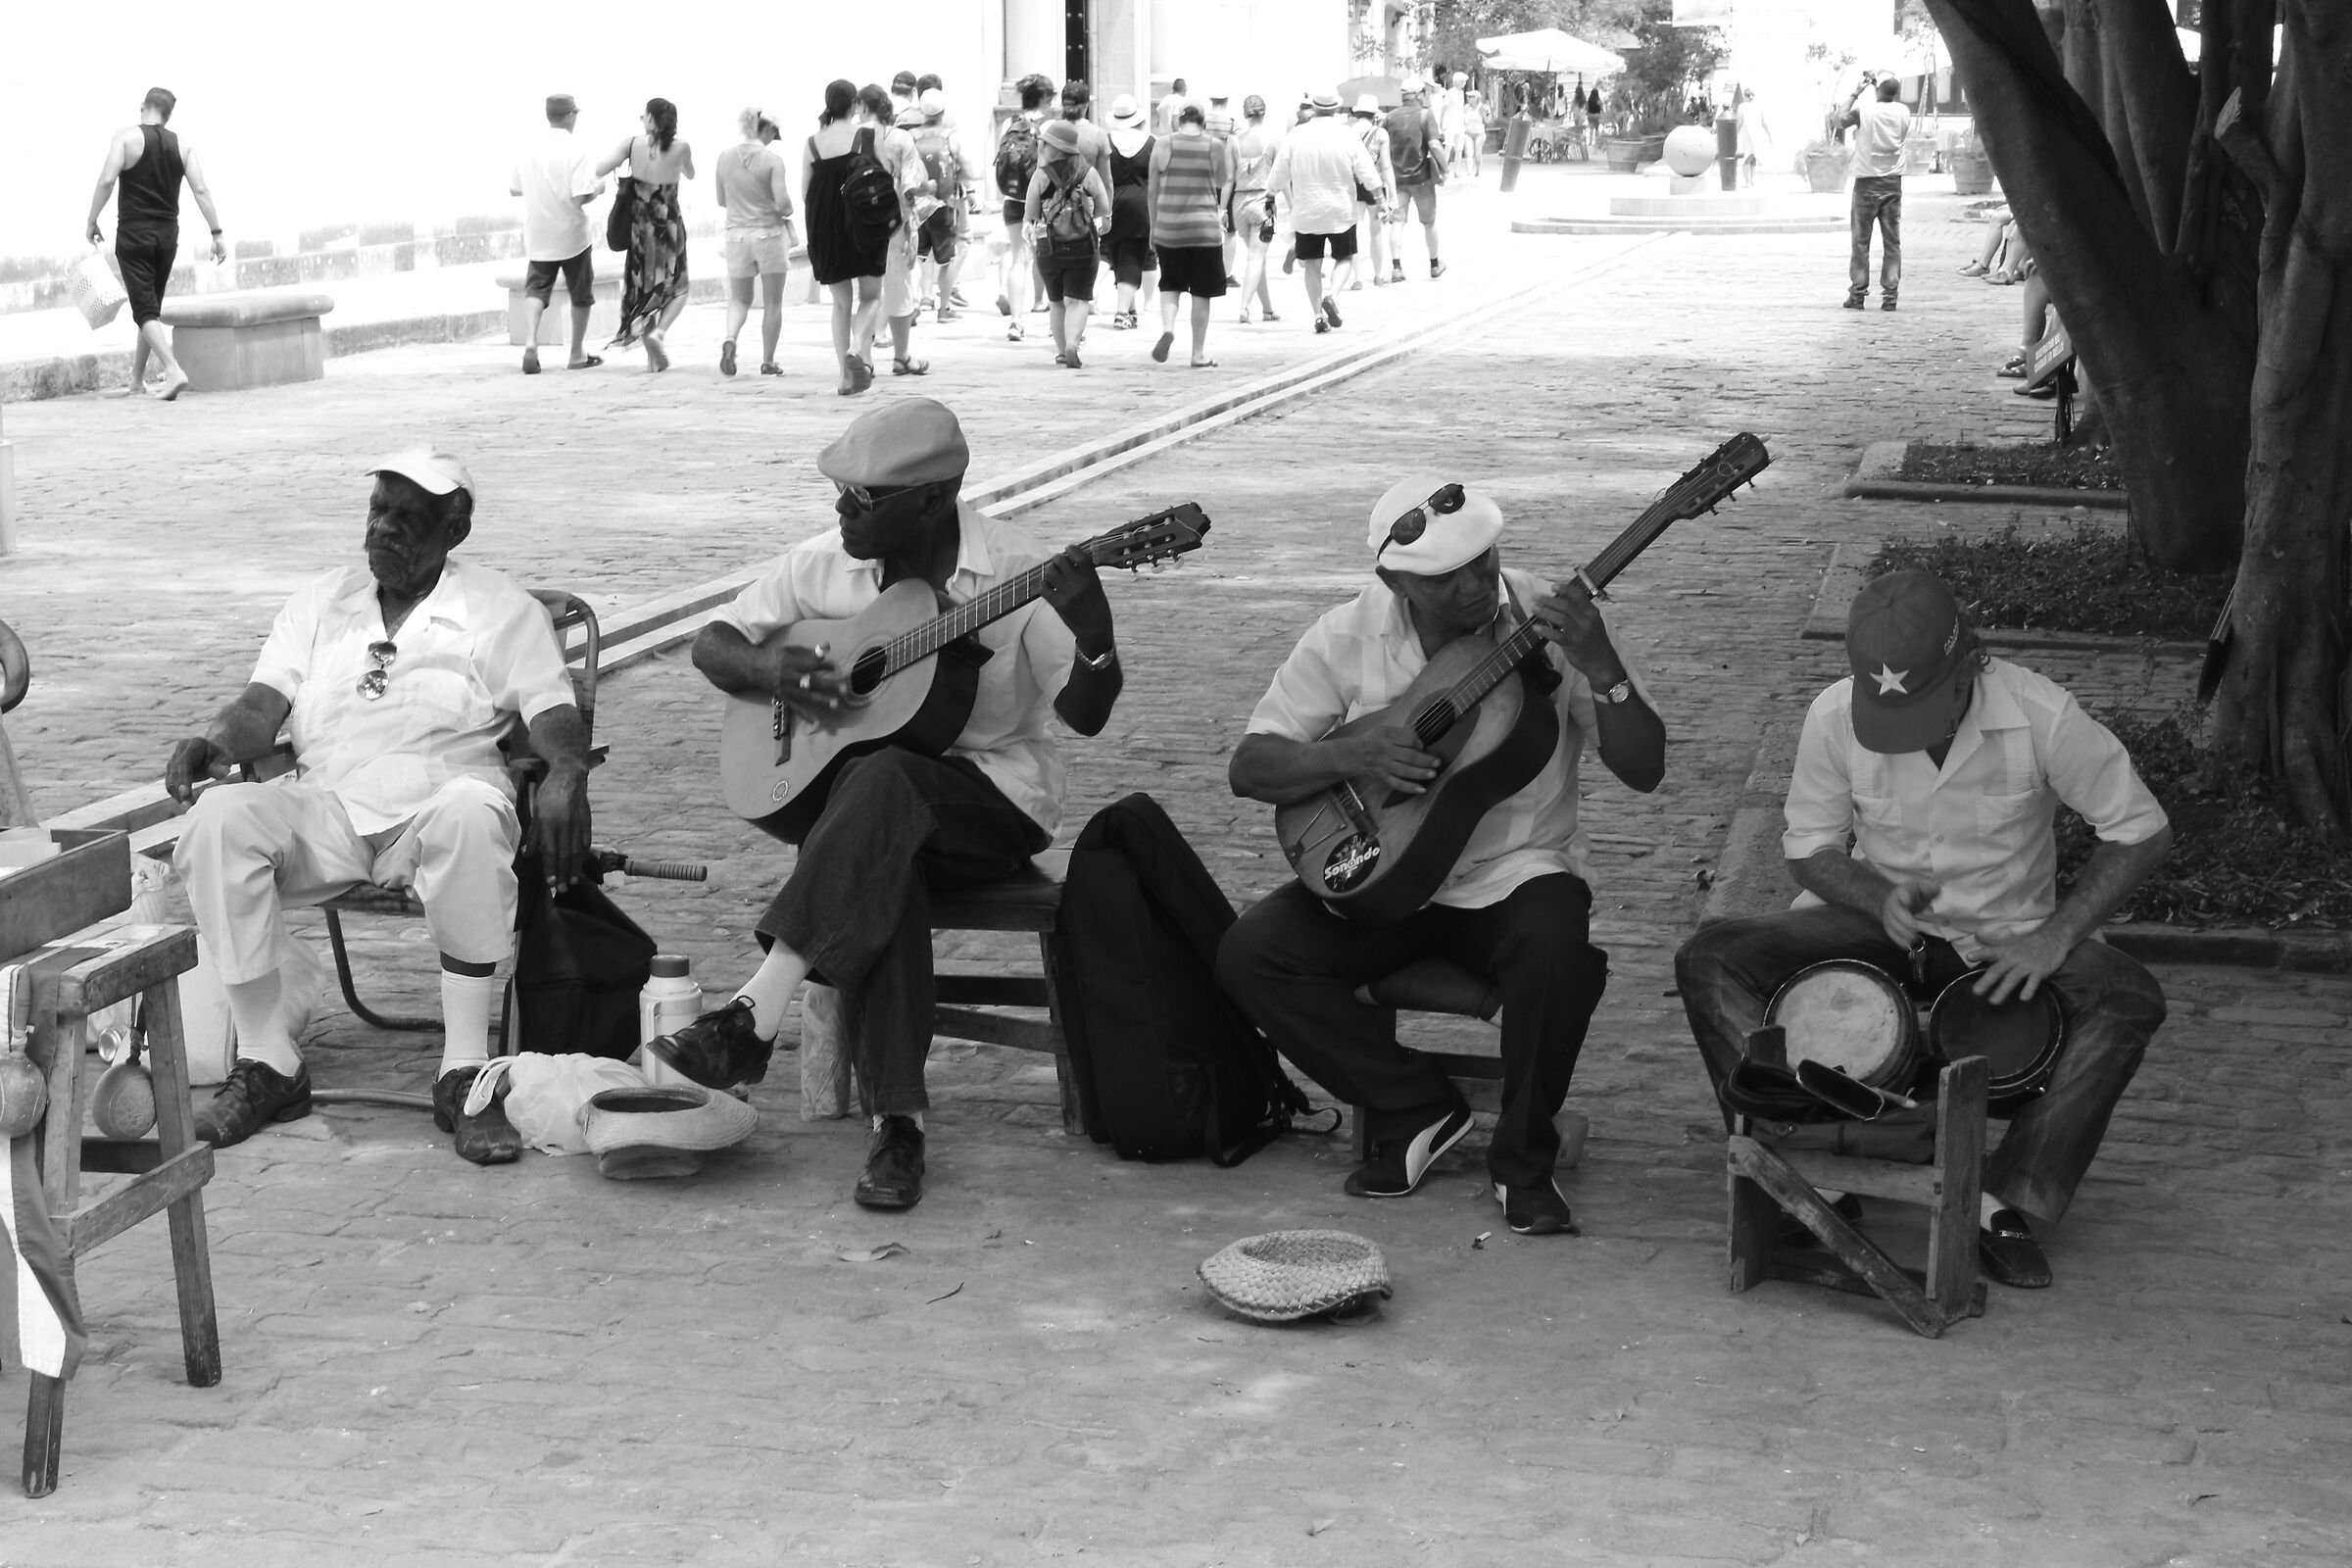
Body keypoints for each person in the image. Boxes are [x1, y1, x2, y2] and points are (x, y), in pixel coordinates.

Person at [659, 399, 1124, 1212]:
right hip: (874, 821)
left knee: (885, 784)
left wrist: (1096, 636)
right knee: (887, 842)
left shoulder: (1018, 571)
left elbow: (1086, 714)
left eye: (863, 497)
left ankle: (752, 1013)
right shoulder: (825, 564)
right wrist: (772, 672)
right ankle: (898, 1129)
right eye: (841, 491)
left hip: (995, 800)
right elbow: (714, 643)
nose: (842, 508)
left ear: (933, 500)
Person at [1675, 570, 2172, 1289]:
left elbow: (2142, 831)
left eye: (1925, 709)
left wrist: (2056, 935)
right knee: (1711, 958)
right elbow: (1808, 848)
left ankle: (2003, 1197)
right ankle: (1799, 1165)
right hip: (1880, 927)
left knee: (2128, 996)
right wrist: (1875, 894)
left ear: (1970, 661)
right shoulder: (1834, 714)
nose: (1910, 732)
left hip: (2004, 938)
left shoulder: (2040, 714)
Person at [1217, 476, 1667, 1236]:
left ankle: (1523, 1161)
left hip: (1515, 874)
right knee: (1251, 953)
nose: (1474, 585)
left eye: (1482, 560)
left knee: (1559, 950)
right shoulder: (1347, 633)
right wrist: (1352, 753)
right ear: (1395, 581)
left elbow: (1646, 769)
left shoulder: (1550, 618)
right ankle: (1416, 1106)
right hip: (1388, 877)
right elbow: (1250, 767)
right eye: (1445, 577)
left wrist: (1604, 669)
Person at [165, 449, 592, 1161]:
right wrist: (214, 741)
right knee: (216, 818)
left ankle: (465, 1074)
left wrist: (567, 772)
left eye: (408, 518)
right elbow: (260, 706)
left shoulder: (499, 610)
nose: (385, 529)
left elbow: (552, 711)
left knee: (473, 808)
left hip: (436, 812)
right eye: (378, 511)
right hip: (326, 810)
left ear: (454, 531)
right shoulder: (322, 603)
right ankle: (270, 1064)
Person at [82, 86, 225, 401]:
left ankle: (173, 369)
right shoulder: (184, 146)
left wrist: (92, 220)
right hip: (167, 236)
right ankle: (136, 380)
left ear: (142, 106)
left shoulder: (125, 138)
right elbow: (201, 191)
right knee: (150, 308)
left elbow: (107, 180)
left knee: (144, 309)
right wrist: (216, 233)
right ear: (168, 116)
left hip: (134, 235)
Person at [1263, 90, 1379, 334]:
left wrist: (1270, 194)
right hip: (1341, 210)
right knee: (1344, 258)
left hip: (1307, 211)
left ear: (1313, 108)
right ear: (1336, 109)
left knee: (1312, 266)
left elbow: (1279, 172)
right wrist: (1380, 196)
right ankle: (1332, 295)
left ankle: (1318, 316)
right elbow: (1366, 170)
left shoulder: (1296, 135)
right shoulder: (1347, 135)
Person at [506, 93, 605, 376]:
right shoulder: (577, 149)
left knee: (536, 289)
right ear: (570, 116)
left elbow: (514, 188)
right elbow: (579, 197)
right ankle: (576, 353)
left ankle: (531, 342)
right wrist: (597, 189)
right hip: (573, 236)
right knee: (581, 295)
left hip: (539, 233)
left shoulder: (529, 148)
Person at [598, 98, 696, 368]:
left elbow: (599, 169)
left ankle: (653, 362)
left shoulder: (631, 144)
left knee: (646, 288)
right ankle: (658, 333)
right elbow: (690, 174)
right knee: (679, 288)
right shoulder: (681, 147)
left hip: (640, 230)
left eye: (644, 116)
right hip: (670, 228)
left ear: (651, 118)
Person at [806, 81, 886, 395]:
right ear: (854, 104)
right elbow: (884, 179)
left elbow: (805, 193)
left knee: (841, 303)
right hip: (864, 225)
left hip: (825, 228)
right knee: (871, 297)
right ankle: (857, 347)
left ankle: (844, 377)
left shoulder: (812, 144)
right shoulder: (867, 136)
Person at [1147, 100, 1233, 367]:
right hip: (1204, 230)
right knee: (1202, 293)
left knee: (1170, 284)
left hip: (1169, 228)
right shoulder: (1214, 146)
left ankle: (1168, 329)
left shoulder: (1163, 144)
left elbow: (1152, 191)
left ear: (1178, 122)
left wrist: (1153, 226)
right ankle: (1197, 354)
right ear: (1203, 123)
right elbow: (1222, 181)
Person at [714, 105, 796, 377]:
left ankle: (730, 338)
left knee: (739, 299)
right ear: (768, 129)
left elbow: (722, 200)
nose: (773, 140)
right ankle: (768, 361)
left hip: (736, 236)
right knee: (772, 302)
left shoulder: (725, 157)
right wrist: (787, 209)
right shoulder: (772, 160)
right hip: (769, 235)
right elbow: (783, 204)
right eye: (774, 134)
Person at [1023, 118, 1111, 368]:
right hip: (1083, 244)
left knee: (1056, 301)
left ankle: (1062, 351)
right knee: (1079, 300)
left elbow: (1030, 213)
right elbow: (1103, 208)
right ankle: (1073, 343)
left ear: (1053, 148)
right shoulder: (1088, 173)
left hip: (1049, 246)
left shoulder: (1041, 175)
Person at [873, 84, 938, 379]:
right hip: (895, 221)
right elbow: (911, 186)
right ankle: (901, 356)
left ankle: (862, 354)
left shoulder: (852, 137)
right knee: (898, 284)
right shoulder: (900, 140)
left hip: (859, 223)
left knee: (865, 289)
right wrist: (929, 188)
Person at [993, 74, 1056, 341]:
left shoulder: (1009, 124)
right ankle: (1055, 322)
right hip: (1042, 202)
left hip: (1013, 200)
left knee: (1019, 258)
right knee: (1050, 259)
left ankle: (1016, 321)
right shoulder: (1049, 125)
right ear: (1044, 97)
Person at [1840, 75, 1910, 311]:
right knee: (1892, 243)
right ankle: (1890, 296)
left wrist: (1855, 93)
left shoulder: (1865, 111)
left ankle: (1858, 294)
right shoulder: (1903, 112)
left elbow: (1839, 120)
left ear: (1877, 89)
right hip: (1892, 182)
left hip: (1867, 183)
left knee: (1861, 242)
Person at [912, 84, 970, 321]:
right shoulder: (950, 136)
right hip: (943, 205)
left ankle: (913, 304)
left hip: (916, 206)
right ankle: (944, 309)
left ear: (922, 112)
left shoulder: (911, 136)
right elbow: (968, 169)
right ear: (943, 112)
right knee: (947, 260)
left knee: (916, 257)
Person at [1102, 95, 1155, 330]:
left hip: (1113, 203)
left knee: (1119, 257)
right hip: (1142, 205)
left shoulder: (1107, 142)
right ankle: (1122, 312)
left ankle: (1130, 310)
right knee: (1133, 258)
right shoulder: (1150, 142)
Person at [1387, 79, 1446, 282]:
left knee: (1397, 222)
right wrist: (1445, 168)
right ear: (1419, 94)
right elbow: (1435, 145)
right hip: (1421, 179)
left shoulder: (1390, 117)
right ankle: (1434, 264)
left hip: (1397, 178)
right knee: (1429, 223)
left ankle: (1396, 268)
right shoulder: (1425, 115)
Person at [1230, 95, 1282, 324]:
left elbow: (1228, 180)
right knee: (1256, 258)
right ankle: (1244, 306)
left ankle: (1268, 309)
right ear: (1264, 112)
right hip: (1264, 203)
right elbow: (1281, 177)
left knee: (1257, 259)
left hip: (1239, 203)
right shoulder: (1273, 141)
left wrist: (1222, 210)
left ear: (1245, 114)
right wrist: (1293, 203)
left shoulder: (1234, 142)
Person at [1344, 95, 1395, 293]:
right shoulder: (1381, 134)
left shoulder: (1347, 132)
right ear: (1374, 114)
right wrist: (1392, 196)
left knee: (1356, 231)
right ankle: (1378, 275)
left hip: (1353, 183)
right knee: (1376, 232)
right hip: (1375, 185)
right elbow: (1386, 166)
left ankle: (1358, 278)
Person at [1459, 89, 1487, 178]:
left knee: (1477, 154)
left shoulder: (1481, 107)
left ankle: (1478, 171)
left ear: (1476, 98)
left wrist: (1485, 114)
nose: (1469, 98)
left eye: (1471, 97)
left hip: (1479, 133)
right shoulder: (1466, 108)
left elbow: (1487, 120)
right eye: (1468, 97)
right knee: (1468, 153)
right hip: (1468, 133)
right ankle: (1469, 172)